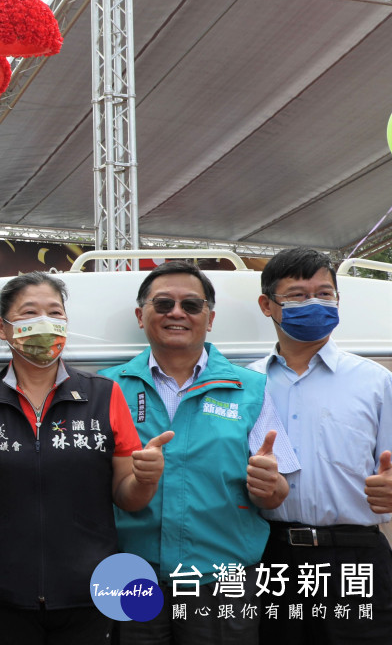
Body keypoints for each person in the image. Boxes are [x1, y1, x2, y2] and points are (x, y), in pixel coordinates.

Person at [0, 272, 162, 644]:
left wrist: (146, 478)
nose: (44, 323)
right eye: (29, 313)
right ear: (3, 327)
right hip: (5, 593)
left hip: (91, 590)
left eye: (55, 313)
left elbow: (127, 498)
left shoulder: (104, 396)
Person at [100, 261, 299, 644]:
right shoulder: (106, 388)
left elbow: (277, 493)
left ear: (209, 319)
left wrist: (270, 485)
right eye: (163, 304)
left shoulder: (250, 389)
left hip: (222, 579)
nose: (177, 313)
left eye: (191, 305)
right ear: (141, 316)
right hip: (130, 573)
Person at [247, 247, 392, 643]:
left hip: (355, 558)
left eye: (325, 294)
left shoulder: (375, 381)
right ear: (267, 304)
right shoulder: (244, 384)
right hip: (271, 558)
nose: (314, 303)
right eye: (297, 295)